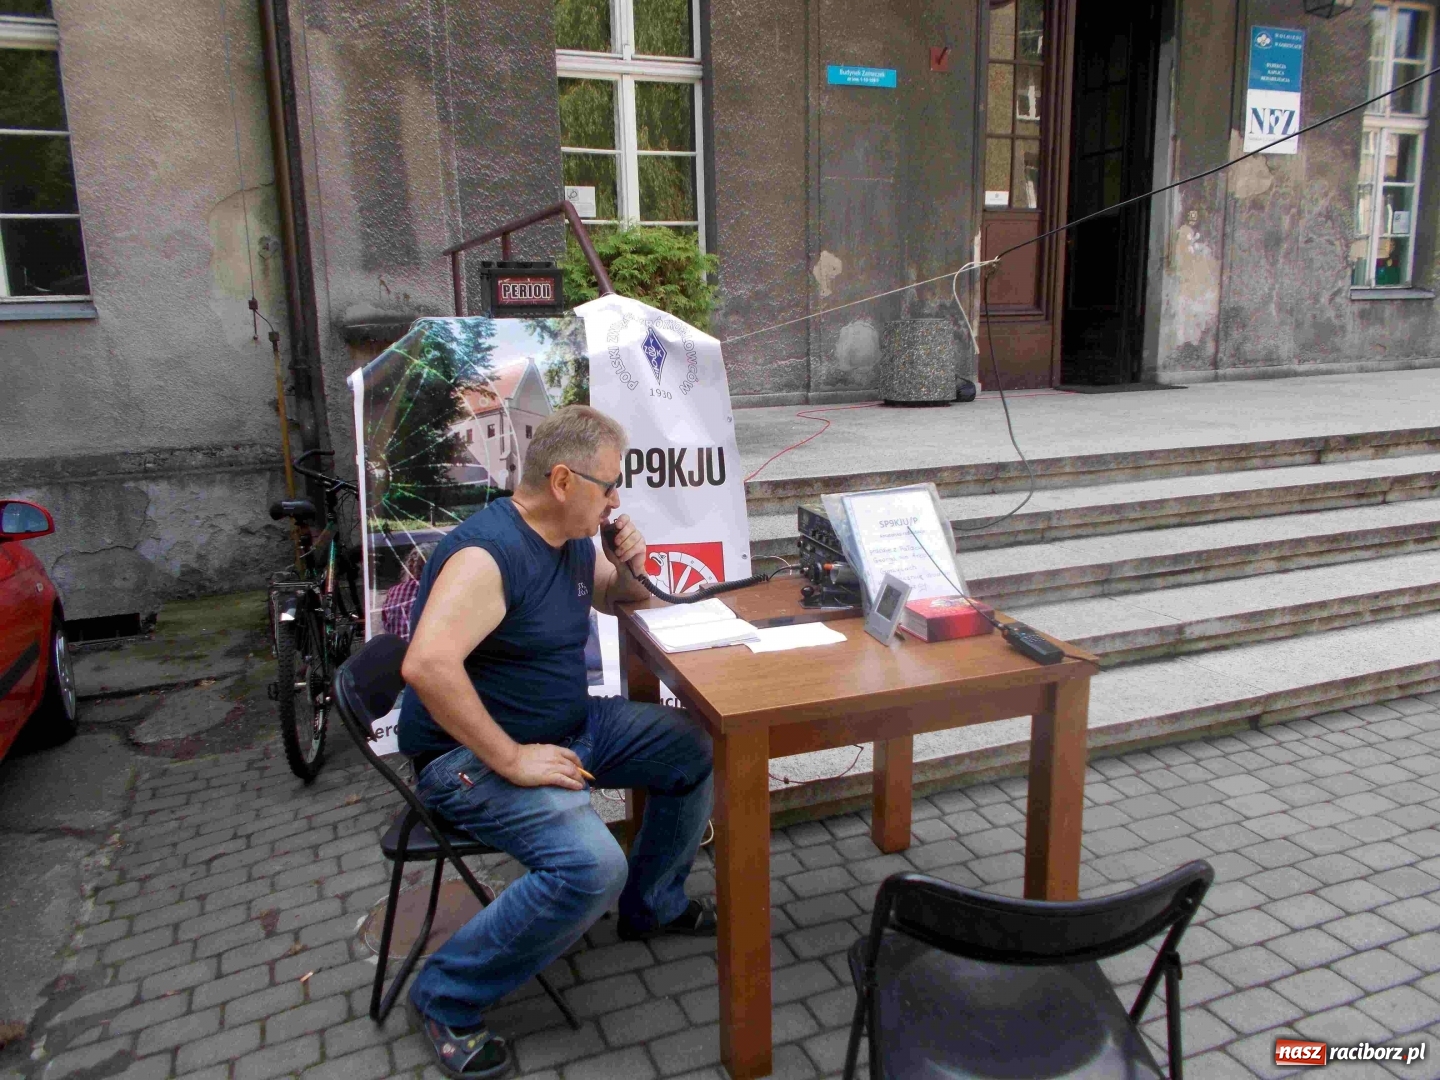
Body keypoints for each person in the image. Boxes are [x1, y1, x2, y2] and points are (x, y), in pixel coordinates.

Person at [398, 405, 714, 1079]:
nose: (615, 499)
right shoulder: (490, 555)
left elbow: (619, 598)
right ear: (565, 480)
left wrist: (631, 562)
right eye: (609, 486)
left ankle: (653, 905)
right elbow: (426, 665)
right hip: (473, 760)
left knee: (691, 744)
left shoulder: (568, 539)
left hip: (569, 730)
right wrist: (511, 758)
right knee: (592, 866)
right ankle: (444, 994)